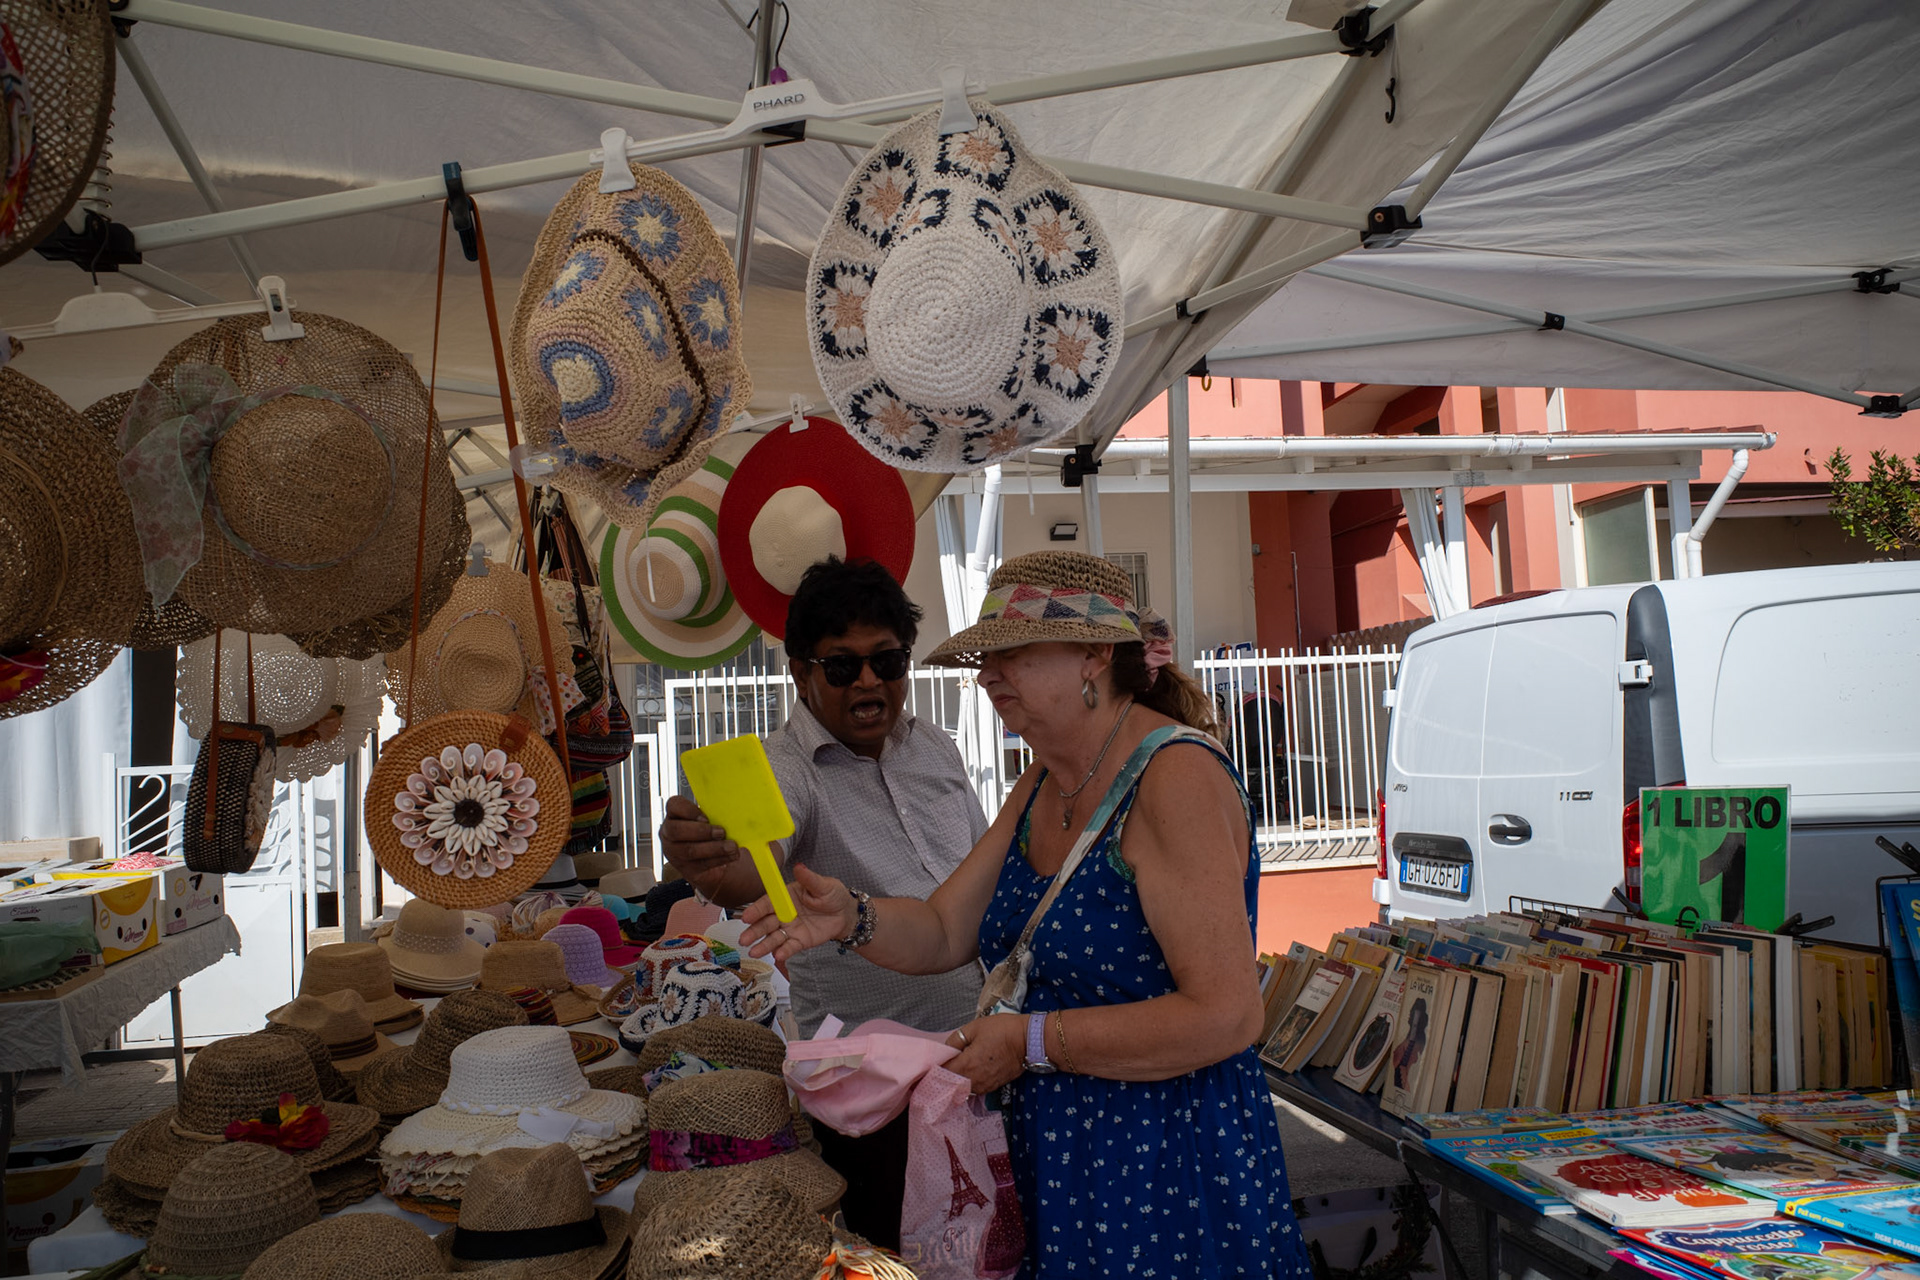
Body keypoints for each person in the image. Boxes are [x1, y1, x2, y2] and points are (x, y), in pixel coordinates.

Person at [740, 551, 1314, 1280]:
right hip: (1062, 1151)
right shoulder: (1044, 776)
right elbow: (947, 930)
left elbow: (1228, 1015)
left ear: (1094, 655)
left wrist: (1029, 1042)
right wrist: (848, 915)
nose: (986, 676)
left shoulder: (1176, 777)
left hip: (1165, 1157)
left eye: (1010, 654)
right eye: (986, 659)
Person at [657, 556, 985, 1249]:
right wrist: (712, 858)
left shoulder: (937, 749)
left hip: (979, 1058)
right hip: (874, 1096)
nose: (868, 682)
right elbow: (754, 864)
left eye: (887, 662)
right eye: (842, 667)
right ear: (801, 672)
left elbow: (984, 876)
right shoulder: (786, 769)